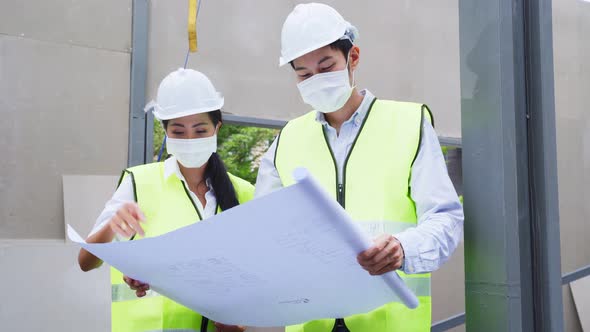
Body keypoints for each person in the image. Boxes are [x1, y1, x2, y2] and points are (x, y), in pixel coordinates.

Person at [255, 3, 464, 331]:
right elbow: (264, 233)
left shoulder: (408, 123)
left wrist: (402, 248)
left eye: (326, 67)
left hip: (387, 320)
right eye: (304, 74)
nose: (316, 80)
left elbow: (446, 218)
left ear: (353, 58)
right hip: (311, 320)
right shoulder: (287, 141)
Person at [78, 68, 251, 332]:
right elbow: (85, 262)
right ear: (166, 132)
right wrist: (112, 225)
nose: (190, 139)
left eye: (200, 130)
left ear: (217, 127)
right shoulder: (139, 182)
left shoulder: (244, 192)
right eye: (179, 132)